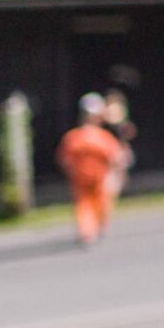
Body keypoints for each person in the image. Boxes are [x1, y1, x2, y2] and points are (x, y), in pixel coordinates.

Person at [56, 93, 124, 246]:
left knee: (94, 203)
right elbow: (116, 158)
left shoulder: (78, 137)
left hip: (95, 177)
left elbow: (65, 160)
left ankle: (93, 228)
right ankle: (89, 231)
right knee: (86, 204)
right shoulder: (81, 137)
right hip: (87, 178)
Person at [100, 88, 137, 204]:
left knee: (118, 173)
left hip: (118, 147)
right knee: (113, 174)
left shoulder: (115, 113)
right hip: (112, 147)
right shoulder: (111, 113)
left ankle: (112, 196)